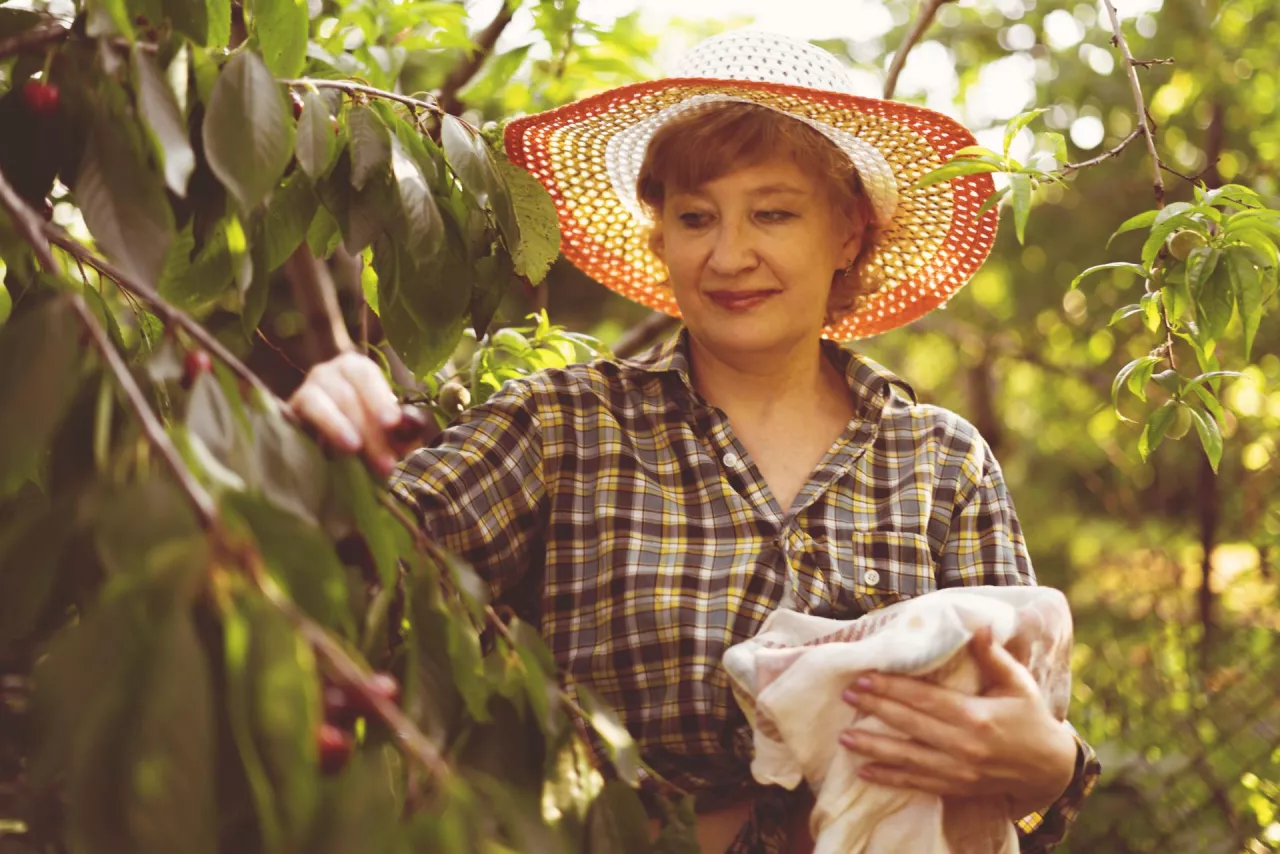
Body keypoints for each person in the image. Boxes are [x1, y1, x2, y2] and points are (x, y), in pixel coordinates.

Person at [289, 30, 1100, 853]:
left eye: (773, 213)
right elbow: (352, 561)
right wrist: (321, 448)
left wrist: (1052, 768)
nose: (729, 254)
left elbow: (1014, 769)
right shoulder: (565, 428)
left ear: (849, 232)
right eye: (696, 216)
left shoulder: (940, 462)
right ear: (663, 232)